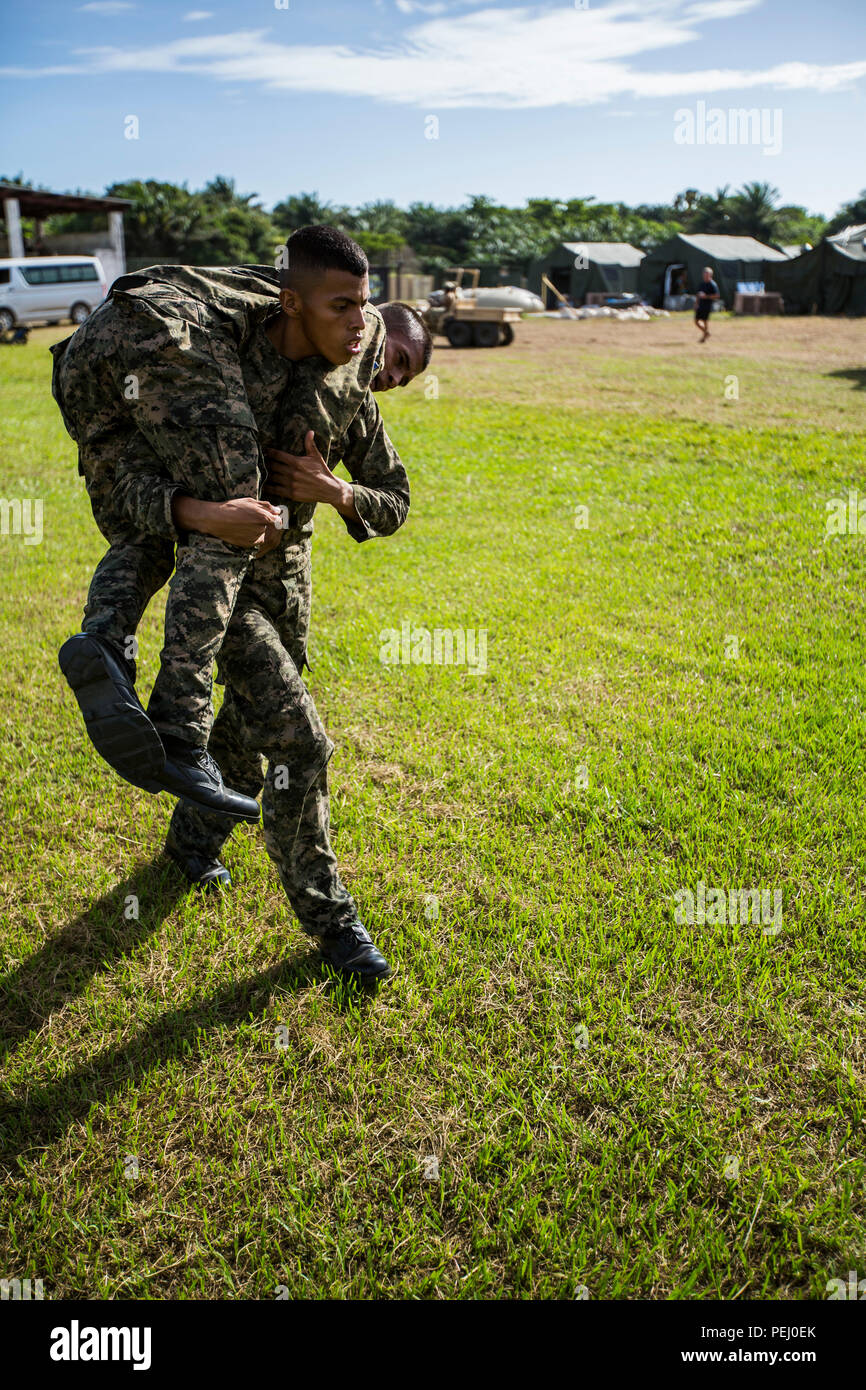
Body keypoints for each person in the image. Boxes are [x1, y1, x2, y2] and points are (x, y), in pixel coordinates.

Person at [61, 286, 431, 981]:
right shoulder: (232, 371)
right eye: (394, 355)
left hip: (288, 596)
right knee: (299, 739)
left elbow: (396, 503)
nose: (388, 372)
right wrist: (206, 513)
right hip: (223, 601)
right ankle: (335, 925)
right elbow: (135, 484)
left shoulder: (350, 402)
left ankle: (191, 845)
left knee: (243, 732)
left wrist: (337, 491)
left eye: (403, 376)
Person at [51, 227, 380, 821]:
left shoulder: (302, 303)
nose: (359, 325)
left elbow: (126, 497)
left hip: (85, 357)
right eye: (344, 308)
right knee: (237, 511)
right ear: (296, 301)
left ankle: (102, 640)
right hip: (167, 329)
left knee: (149, 519)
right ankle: (179, 729)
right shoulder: (342, 324)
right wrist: (225, 511)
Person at [695, 266, 720, 343]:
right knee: (696, 321)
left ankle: (704, 337)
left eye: (707, 274)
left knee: (705, 321)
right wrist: (696, 303)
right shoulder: (702, 284)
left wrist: (706, 296)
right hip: (701, 304)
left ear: (710, 275)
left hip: (707, 305)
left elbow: (717, 295)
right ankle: (706, 333)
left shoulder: (712, 284)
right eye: (704, 274)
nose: (705, 276)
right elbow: (698, 294)